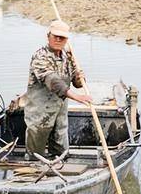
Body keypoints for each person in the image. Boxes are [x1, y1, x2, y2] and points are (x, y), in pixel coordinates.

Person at [25, 20, 93, 159]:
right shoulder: (40, 56)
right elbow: (53, 81)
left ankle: (61, 166)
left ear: (66, 39)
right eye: (55, 36)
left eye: (61, 37)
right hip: (40, 114)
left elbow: (77, 83)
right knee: (36, 156)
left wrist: (81, 78)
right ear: (48, 36)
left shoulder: (68, 56)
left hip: (60, 112)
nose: (58, 39)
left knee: (61, 153)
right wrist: (76, 97)